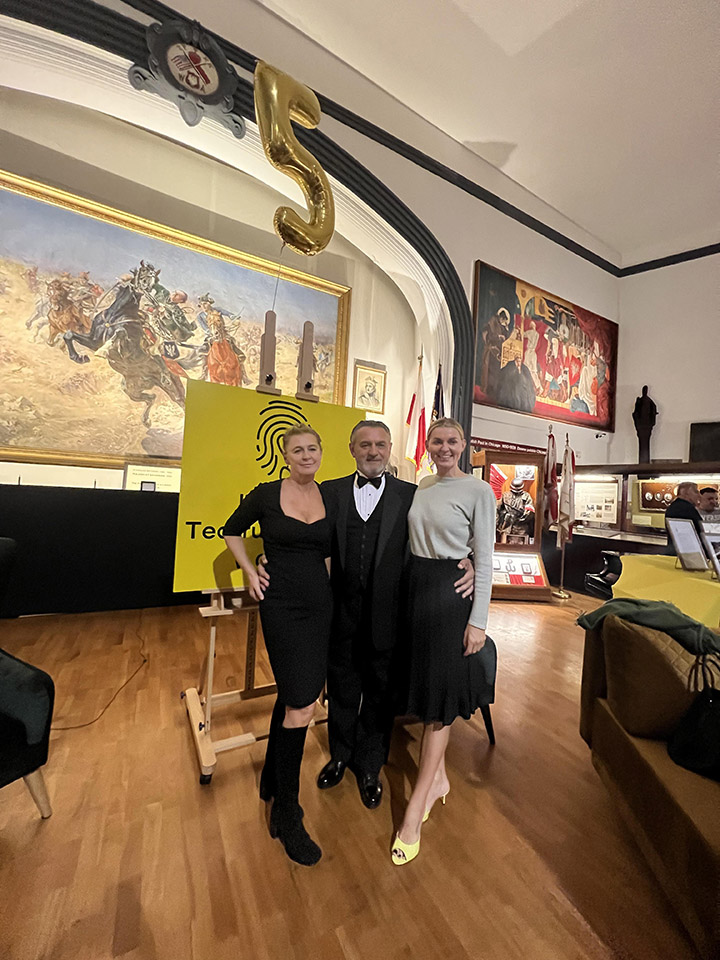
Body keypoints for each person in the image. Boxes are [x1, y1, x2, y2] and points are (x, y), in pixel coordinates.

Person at [258, 420, 474, 811]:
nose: (373, 451)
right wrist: (265, 558)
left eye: (380, 445)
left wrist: (468, 560)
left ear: (389, 448)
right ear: (351, 449)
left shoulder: (412, 494)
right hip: (337, 612)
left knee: (379, 693)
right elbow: (301, 536)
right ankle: (340, 755)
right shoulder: (330, 491)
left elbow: (444, 532)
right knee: (342, 687)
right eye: (365, 445)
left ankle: (370, 765)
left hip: (389, 616)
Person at [223, 426, 332, 866]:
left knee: (293, 696)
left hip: (321, 606)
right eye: (297, 450)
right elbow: (231, 530)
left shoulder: (330, 496)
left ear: (321, 453)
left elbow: (335, 552)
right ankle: (288, 812)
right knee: (302, 706)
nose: (306, 456)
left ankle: (271, 781)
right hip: (282, 606)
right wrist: (250, 570)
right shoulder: (266, 495)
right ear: (285, 456)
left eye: (312, 449)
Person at [392, 417, 497, 866]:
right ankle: (437, 780)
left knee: (439, 698)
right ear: (428, 445)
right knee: (424, 690)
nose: (444, 447)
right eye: (437, 441)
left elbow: (486, 560)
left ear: (464, 444)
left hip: (451, 595)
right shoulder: (422, 485)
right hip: (416, 589)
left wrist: (478, 622)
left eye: (452, 440)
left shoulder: (479, 491)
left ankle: (414, 810)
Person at [664, 481, 704, 547]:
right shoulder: (687, 509)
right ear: (685, 493)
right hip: (689, 549)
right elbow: (701, 530)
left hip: (674, 548)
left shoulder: (672, 507)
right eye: (696, 492)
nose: (699, 495)